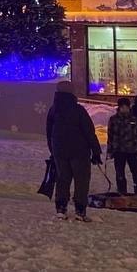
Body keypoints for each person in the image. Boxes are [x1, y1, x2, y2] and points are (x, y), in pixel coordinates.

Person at [46, 81, 103, 222]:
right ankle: (80, 210)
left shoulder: (53, 110)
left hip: (60, 151)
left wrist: (53, 150)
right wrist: (96, 151)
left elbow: (49, 132)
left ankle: (61, 208)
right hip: (79, 151)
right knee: (81, 180)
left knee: (62, 179)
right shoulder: (78, 110)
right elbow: (89, 132)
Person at [107, 97, 137, 196]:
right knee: (120, 173)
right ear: (119, 107)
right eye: (122, 107)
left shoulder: (134, 120)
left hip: (132, 150)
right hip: (119, 151)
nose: (124, 109)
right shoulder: (114, 120)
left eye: (126, 107)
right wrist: (110, 150)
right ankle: (122, 192)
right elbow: (110, 136)